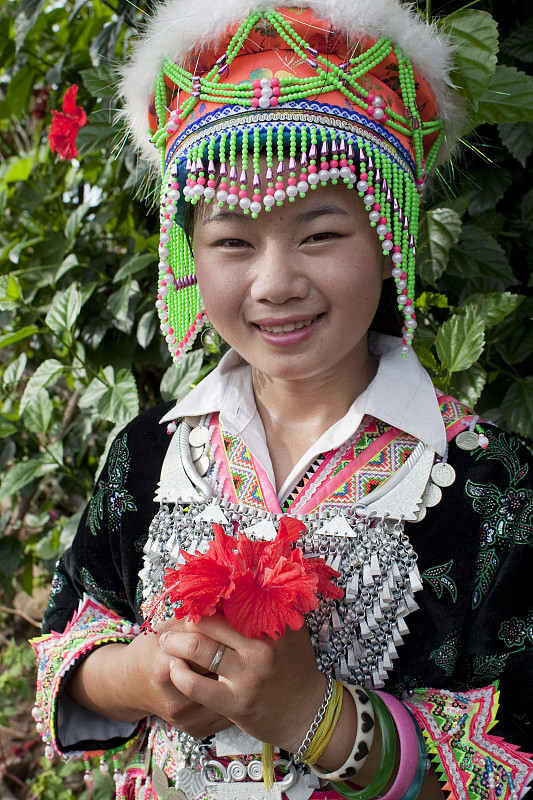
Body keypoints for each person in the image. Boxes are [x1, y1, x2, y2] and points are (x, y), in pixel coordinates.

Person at [32, 2, 533, 799]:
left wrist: (315, 714)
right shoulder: (150, 454)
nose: (274, 284)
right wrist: (140, 674)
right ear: (188, 254)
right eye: (232, 240)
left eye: (319, 232)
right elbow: (71, 643)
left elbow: (516, 753)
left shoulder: (490, 486)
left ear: (388, 235)